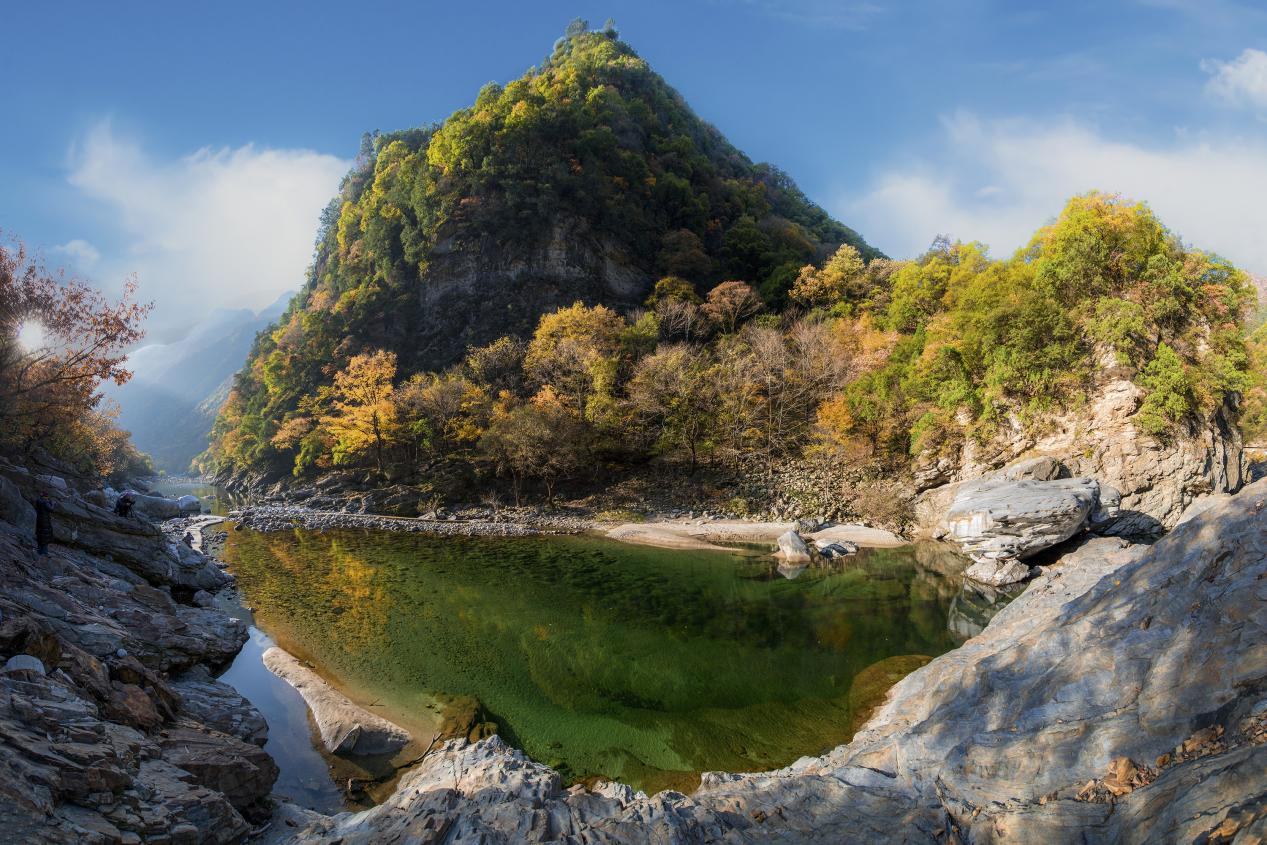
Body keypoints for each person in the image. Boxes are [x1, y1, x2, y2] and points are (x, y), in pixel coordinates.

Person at [33, 491, 55, 556]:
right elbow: (51, 509)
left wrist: (49, 502)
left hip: (39, 520)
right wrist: (53, 504)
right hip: (45, 522)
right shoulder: (45, 502)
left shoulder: (38, 501)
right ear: (46, 496)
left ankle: (39, 552)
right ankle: (44, 553)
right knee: (45, 537)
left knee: (40, 535)